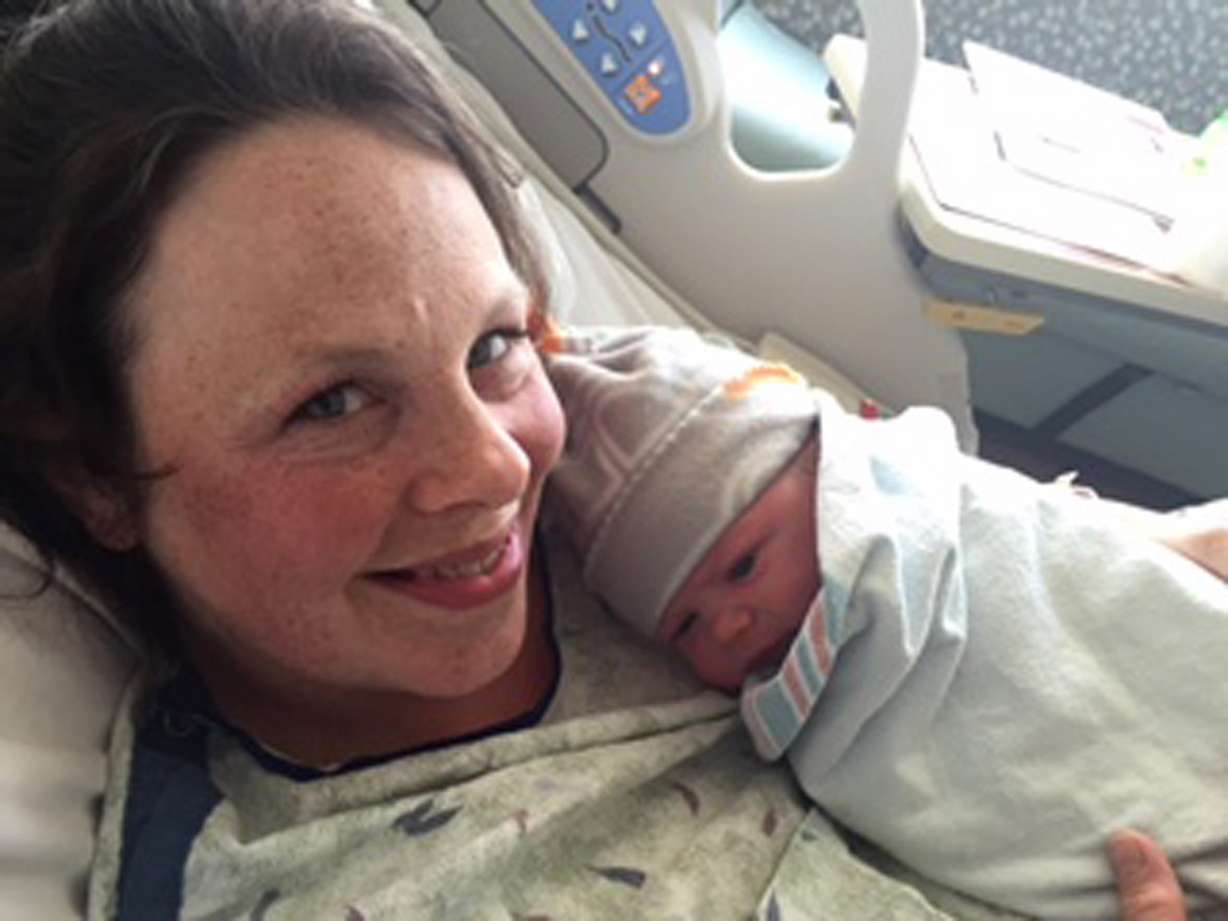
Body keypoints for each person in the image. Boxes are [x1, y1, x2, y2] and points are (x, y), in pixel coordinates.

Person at [0, 1, 1198, 918]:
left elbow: (981, 536)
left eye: (491, 344)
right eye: (334, 403)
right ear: (94, 472)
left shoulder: (647, 452)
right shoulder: (290, 879)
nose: (493, 468)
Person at [546, 324, 1228, 919]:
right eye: (686, 625)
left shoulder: (935, 510)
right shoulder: (803, 730)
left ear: (828, 476)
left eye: (744, 566)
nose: (727, 626)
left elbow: (1064, 564)